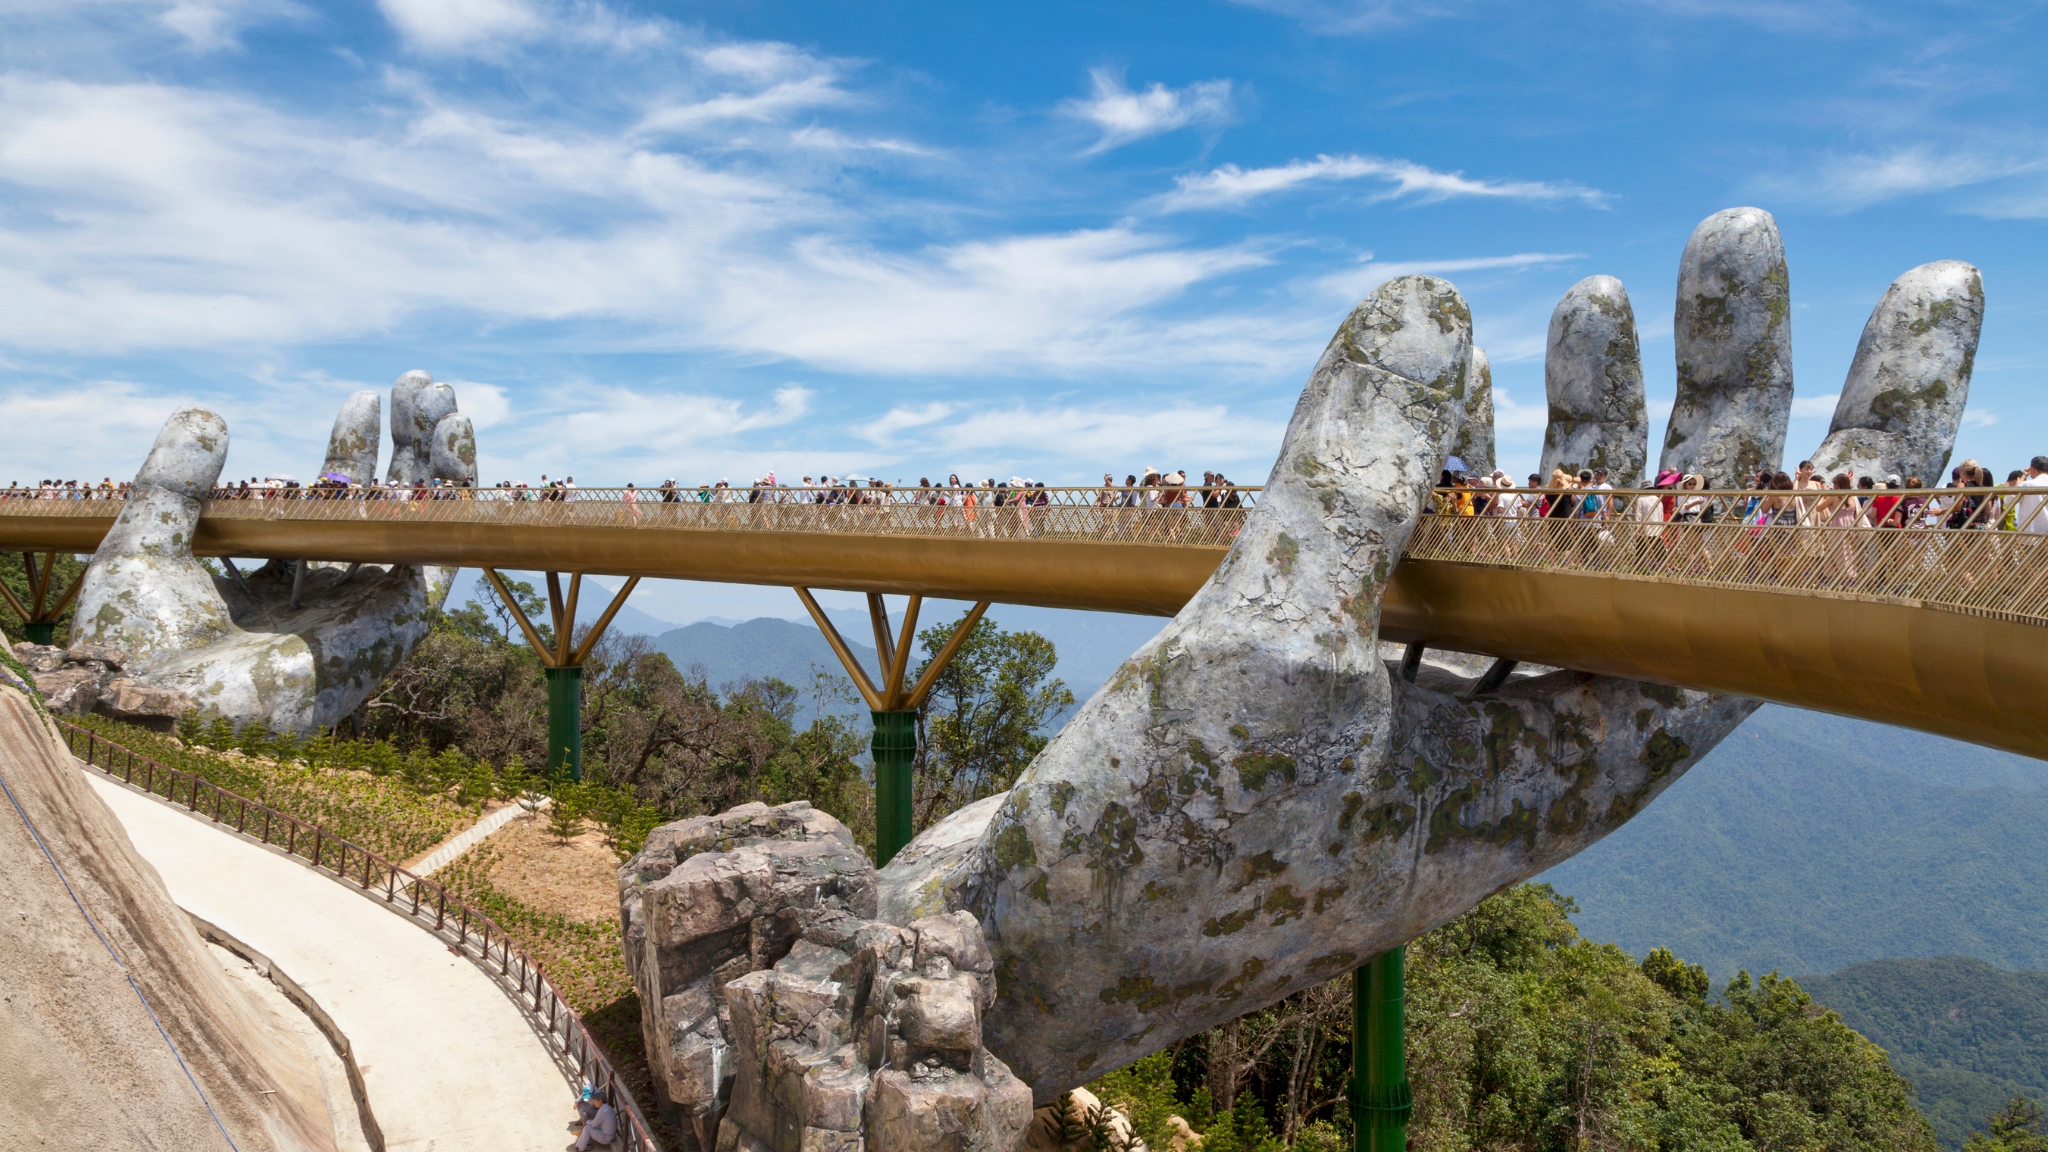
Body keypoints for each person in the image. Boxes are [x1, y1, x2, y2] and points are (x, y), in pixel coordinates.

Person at [570, 1084, 618, 1150]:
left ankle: (580, 1148)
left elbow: (593, 1124)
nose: (595, 1103)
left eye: (596, 1101)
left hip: (606, 1138)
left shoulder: (602, 1111)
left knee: (587, 1128)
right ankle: (580, 1145)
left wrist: (586, 1122)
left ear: (600, 1101)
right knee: (588, 1126)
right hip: (610, 1135)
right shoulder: (606, 1107)